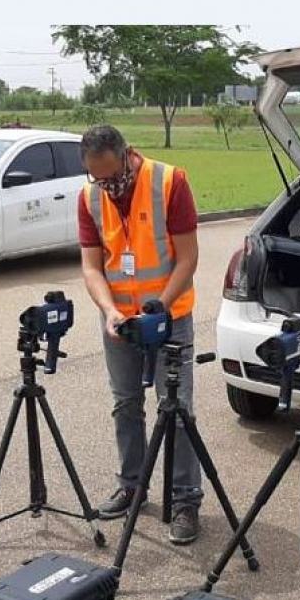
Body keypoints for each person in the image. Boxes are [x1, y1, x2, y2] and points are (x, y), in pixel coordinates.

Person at [77, 124, 204, 545]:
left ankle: (186, 500)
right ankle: (132, 486)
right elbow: (93, 266)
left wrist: (161, 306)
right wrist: (110, 311)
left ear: (128, 155)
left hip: (170, 315)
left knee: (178, 408)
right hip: (120, 321)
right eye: (99, 178)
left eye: (113, 176)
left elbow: (187, 258)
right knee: (125, 404)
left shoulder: (171, 181)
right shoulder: (89, 196)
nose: (108, 186)